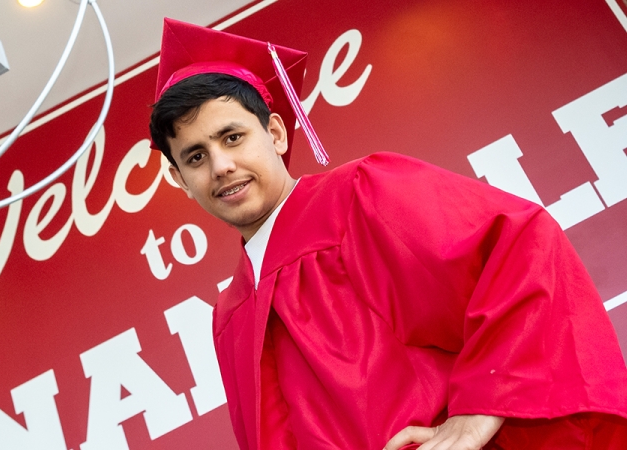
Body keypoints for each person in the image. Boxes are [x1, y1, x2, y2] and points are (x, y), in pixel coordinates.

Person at [149, 18, 627, 450]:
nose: (221, 166)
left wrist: (481, 409)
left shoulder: (359, 197)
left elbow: (520, 247)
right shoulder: (230, 314)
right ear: (181, 181)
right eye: (195, 157)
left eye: (233, 137)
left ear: (275, 133)